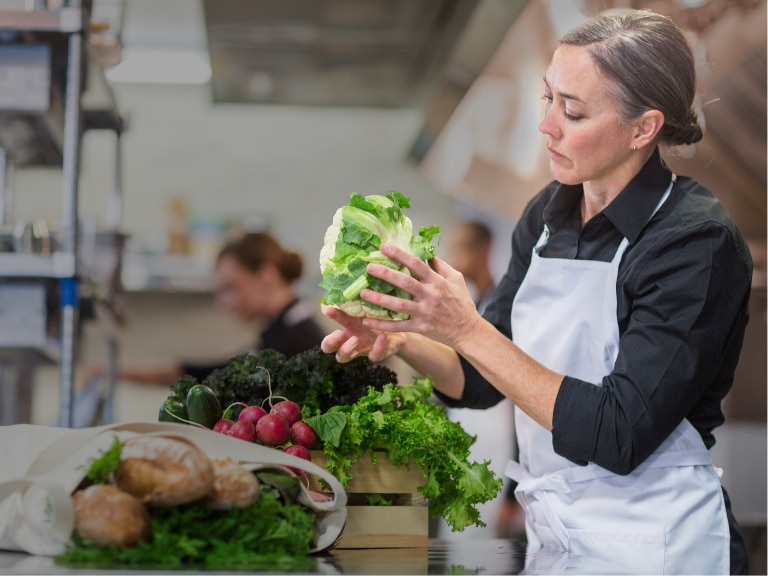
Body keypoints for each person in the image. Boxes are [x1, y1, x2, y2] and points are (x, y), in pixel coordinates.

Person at [320, 9, 751, 574]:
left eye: (572, 111)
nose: (546, 125)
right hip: (557, 543)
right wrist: (407, 335)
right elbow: (481, 376)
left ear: (643, 128)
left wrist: (466, 328)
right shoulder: (546, 216)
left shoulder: (694, 241)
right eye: (547, 98)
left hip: (659, 546)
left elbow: (619, 433)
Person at [87, 232, 326, 386]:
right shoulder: (284, 329)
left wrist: (113, 372)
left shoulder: (295, 341)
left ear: (267, 276)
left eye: (230, 287)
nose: (223, 302)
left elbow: (214, 374)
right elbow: (216, 370)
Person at [440, 220, 524, 539]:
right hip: (463, 452)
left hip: (498, 451)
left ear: (485, 248)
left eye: (462, 248)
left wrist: (512, 491)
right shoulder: (471, 309)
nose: (455, 258)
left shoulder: (506, 310)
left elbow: (521, 398)